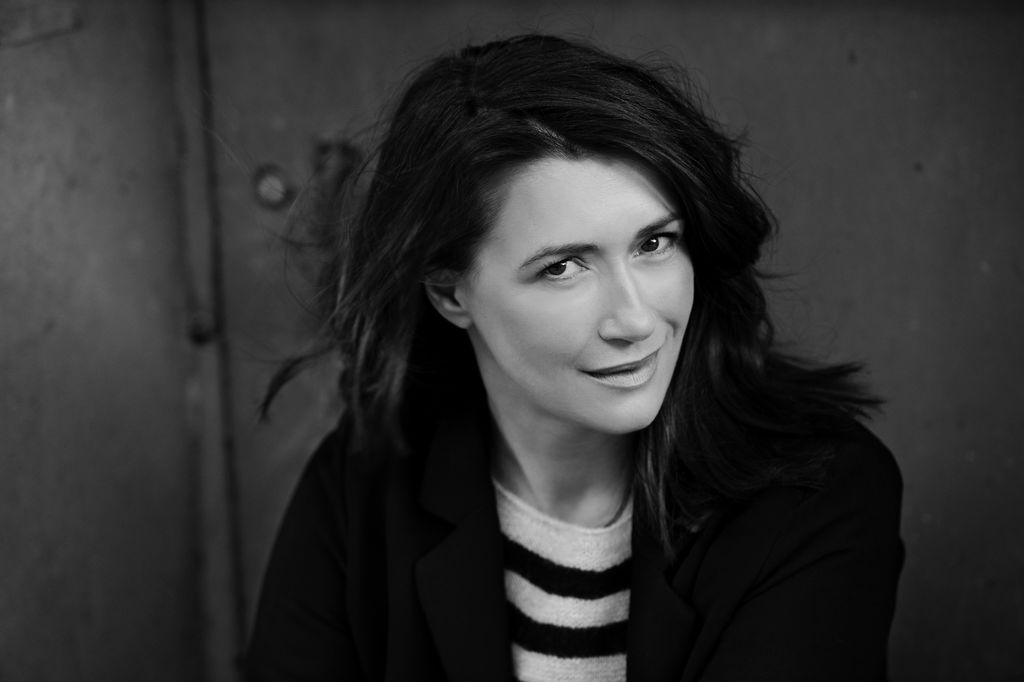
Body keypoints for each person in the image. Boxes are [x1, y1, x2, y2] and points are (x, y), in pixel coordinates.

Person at [244, 34, 903, 682]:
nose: (636, 319)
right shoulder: (364, 483)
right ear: (450, 293)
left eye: (654, 244)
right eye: (563, 267)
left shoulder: (816, 493)